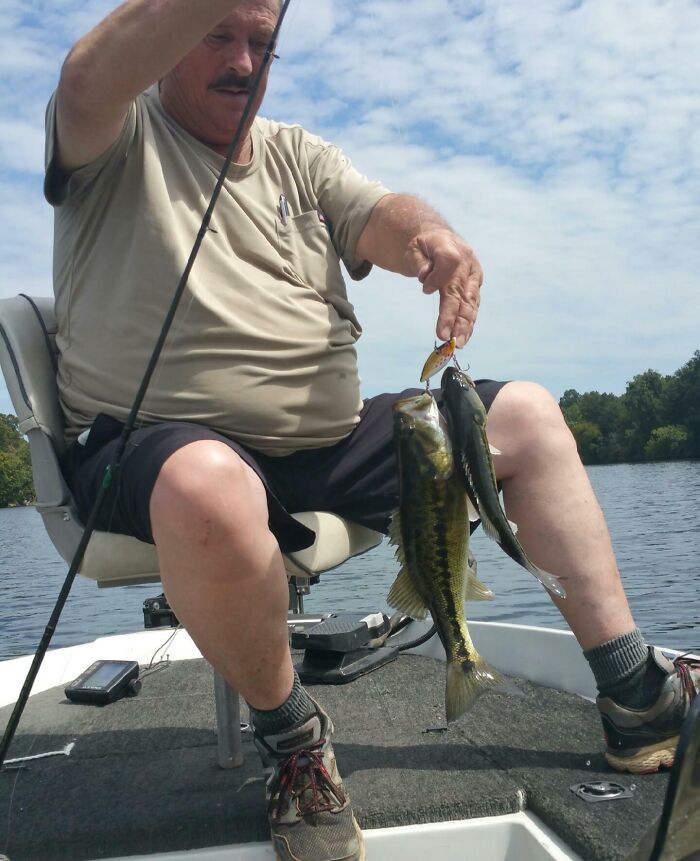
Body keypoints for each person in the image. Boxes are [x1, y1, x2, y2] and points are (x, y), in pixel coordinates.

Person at [45, 2, 699, 860]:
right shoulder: (115, 132)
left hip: (325, 443)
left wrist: (434, 240)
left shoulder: (295, 155)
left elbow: (380, 213)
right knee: (208, 481)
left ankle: (634, 695)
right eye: (217, 33)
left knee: (529, 416)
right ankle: (296, 747)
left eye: (262, 41)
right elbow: (89, 78)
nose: (243, 60)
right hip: (150, 444)